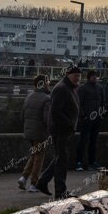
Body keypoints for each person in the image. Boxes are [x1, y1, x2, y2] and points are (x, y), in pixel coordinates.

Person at [35, 66, 82, 198]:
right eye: (75, 76)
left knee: (60, 158)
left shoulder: (70, 88)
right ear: (68, 75)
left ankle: (42, 182)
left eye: (79, 76)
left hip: (65, 130)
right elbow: (55, 111)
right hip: (61, 130)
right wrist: (69, 123)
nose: (77, 78)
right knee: (62, 160)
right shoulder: (62, 88)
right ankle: (60, 192)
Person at [17, 75, 52, 191]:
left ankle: (23, 177)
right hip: (40, 133)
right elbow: (46, 119)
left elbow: (22, 116)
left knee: (34, 154)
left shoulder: (29, 96)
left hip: (29, 132)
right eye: (47, 82)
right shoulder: (46, 98)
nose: (49, 84)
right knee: (39, 158)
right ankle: (34, 183)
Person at [75, 70, 105, 171]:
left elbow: (102, 102)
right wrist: (83, 116)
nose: (94, 77)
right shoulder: (82, 88)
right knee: (83, 141)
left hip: (97, 119)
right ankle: (79, 162)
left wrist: (102, 114)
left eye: (95, 76)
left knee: (93, 141)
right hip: (86, 119)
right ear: (88, 77)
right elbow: (78, 103)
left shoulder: (100, 88)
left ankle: (92, 162)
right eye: (92, 76)